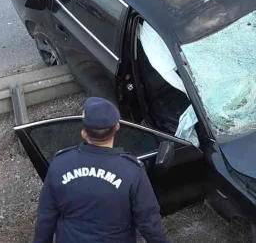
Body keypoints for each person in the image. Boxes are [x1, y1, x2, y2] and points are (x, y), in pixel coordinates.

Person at [32, 97, 171, 243]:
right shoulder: (132, 171)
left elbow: (46, 217)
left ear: (84, 133)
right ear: (117, 126)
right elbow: (149, 224)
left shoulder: (59, 164)